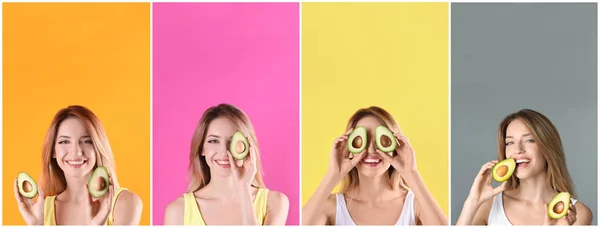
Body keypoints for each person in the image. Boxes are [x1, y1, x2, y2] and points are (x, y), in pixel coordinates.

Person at [302, 106, 448, 225]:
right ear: (349, 147)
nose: (371, 150)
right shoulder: (332, 207)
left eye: (381, 141)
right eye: (361, 140)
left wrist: (411, 172)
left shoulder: (415, 205)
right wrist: (333, 175)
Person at [456, 109, 593, 225]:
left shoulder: (577, 214)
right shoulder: (488, 206)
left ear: (548, 146)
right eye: (509, 143)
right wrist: (472, 202)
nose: (517, 150)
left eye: (529, 140)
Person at [13, 105, 143, 225]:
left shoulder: (125, 202)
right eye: (64, 141)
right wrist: (36, 226)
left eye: (86, 141)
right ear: (53, 151)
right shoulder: (41, 209)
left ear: (98, 147)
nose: (76, 151)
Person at [163, 103, 289, 225]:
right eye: (213, 141)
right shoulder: (178, 210)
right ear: (202, 148)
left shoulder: (274, 203)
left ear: (247, 147)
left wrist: (243, 188)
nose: (224, 150)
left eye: (233, 141)